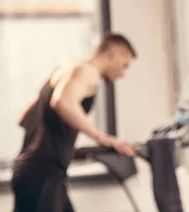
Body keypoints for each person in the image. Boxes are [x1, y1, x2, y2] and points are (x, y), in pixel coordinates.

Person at [11, 33, 139, 212]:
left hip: (33, 170)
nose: (123, 74)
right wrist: (104, 139)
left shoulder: (64, 71)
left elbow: (25, 118)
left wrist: (62, 142)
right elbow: (62, 103)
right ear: (113, 52)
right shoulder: (88, 72)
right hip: (44, 172)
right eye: (124, 65)